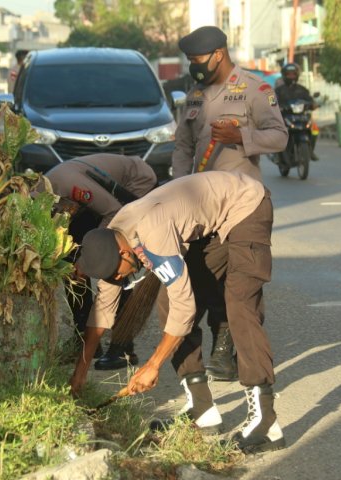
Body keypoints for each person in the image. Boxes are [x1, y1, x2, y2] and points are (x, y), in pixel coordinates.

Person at [70, 171, 285, 454]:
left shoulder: (152, 235)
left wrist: (153, 365)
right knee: (168, 303)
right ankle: (201, 409)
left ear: (124, 254)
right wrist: (80, 373)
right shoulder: (113, 236)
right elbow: (102, 311)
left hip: (246, 205)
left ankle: (266, 424)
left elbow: (186, 305)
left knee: (240, 305)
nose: (119, 280)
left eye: (118, 275)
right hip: (212, 222)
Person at [172, 26, 287, 383]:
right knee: (204, 275)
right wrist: (177, 189)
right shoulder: (193, 98)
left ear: (218, 54)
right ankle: (222, 335)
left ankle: (233, 349)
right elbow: (183, 148)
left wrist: (242, 136)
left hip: (242, 206)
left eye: (197, 60)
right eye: (189, 61)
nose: (194, 66)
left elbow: (280, 137)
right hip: (202, 205)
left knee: (243, 280)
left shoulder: (255, 89)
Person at [45, 154, 157, 369]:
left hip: (134, 187)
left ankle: (122, 347)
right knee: (70, 262)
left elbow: (113, 211)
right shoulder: (44, 200)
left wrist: (89, 256)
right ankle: (85, 339)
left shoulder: (71, 186)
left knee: (117, 263)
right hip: (97, 202)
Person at [275, 62, 319, 161]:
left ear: (297, 75)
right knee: (277, 132)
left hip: (301, 117)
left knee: (315, 129)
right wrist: (274, 106)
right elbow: (272, 100)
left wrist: (313, 104)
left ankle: (310, 150)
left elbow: (310, 100)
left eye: (293, 74)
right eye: (289, 74)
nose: (291, 76)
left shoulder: (302, 90)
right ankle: (278, 154)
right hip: (285, 117)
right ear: (284, 75)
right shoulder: (278, 90)